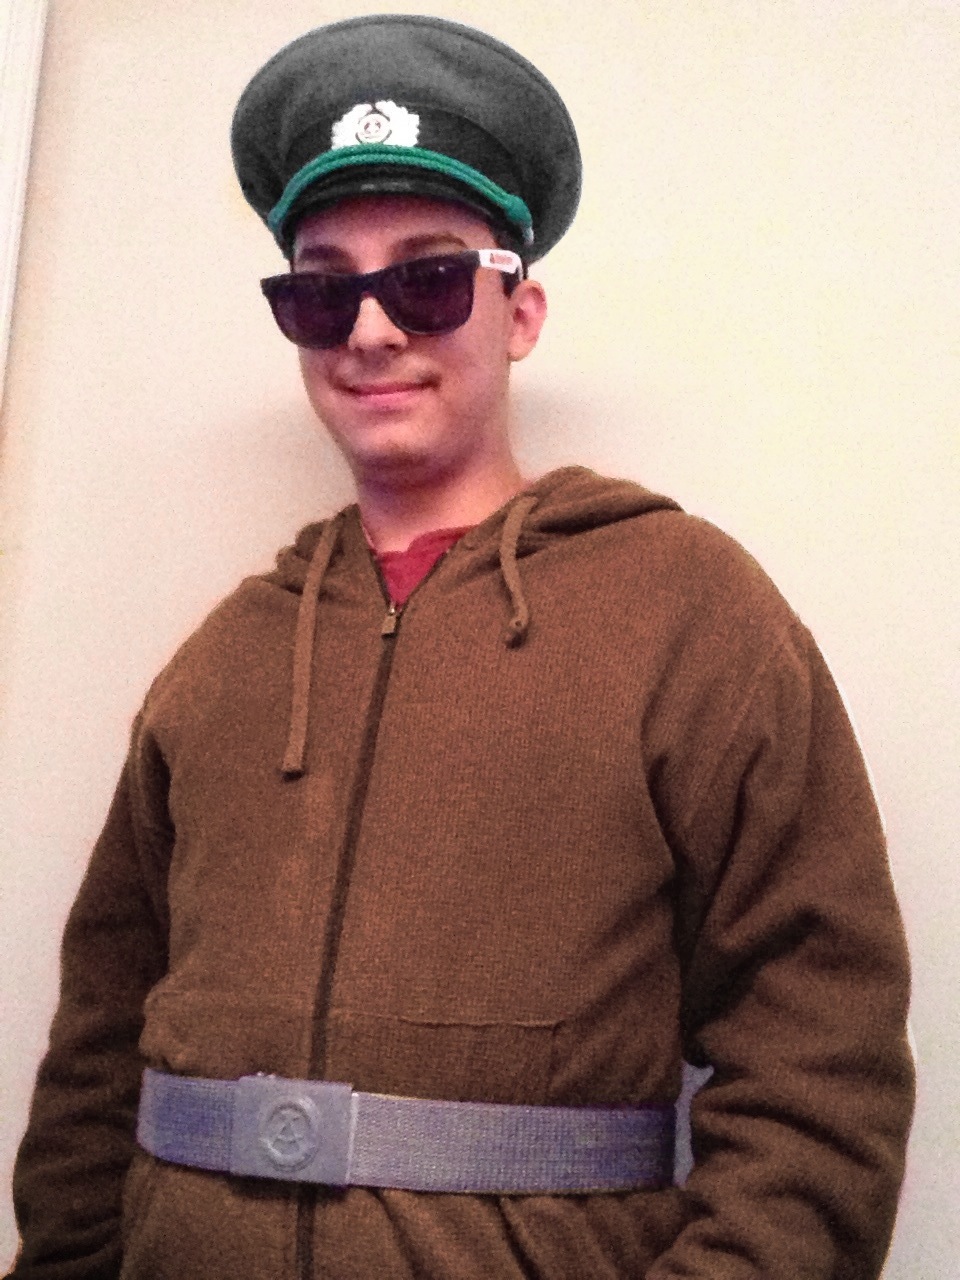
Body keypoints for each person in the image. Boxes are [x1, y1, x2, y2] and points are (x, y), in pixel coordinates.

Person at [9, 14, 914, 1280]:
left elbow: (821, 1057)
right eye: (322, 291)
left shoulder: (689, 614)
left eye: (428, 279)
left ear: (520, 308)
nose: (371, 330)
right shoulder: (222, 659)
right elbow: (97, 1053)